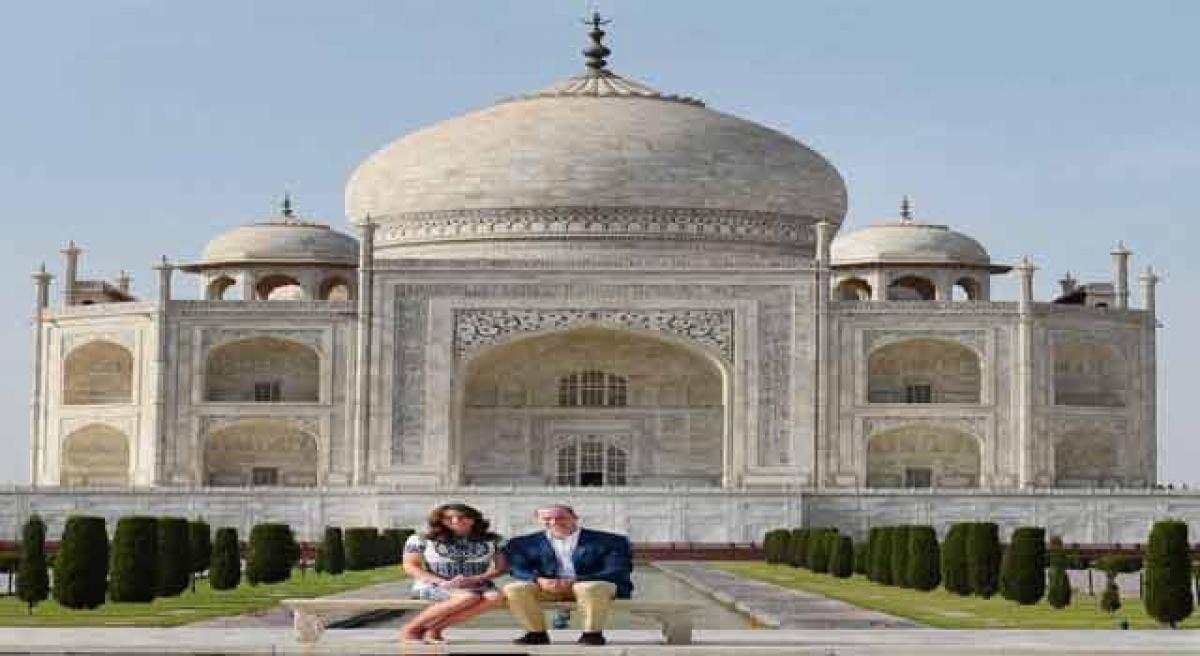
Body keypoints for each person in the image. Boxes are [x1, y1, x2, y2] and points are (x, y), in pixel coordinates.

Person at [503, 504, 633, 646]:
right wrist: (538, 580)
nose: (554, 522)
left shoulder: (611, 541)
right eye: (547, 519)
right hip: (548, 588)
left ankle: (592, 635)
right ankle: (536, 634)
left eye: (560, 517)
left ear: (575, 518)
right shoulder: (522, 543)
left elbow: (617, 569)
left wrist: (575, 581)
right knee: (514, 588)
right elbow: (516, 567)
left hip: (593, 587)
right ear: (539, 520)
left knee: (588, 587)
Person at [399, 503, 507, 644]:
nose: (455, 521)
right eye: (448, 518)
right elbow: (410, 566)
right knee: (467, 597)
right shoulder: (422, 539)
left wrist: (476, 578)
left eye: (462, 517)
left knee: (495, 597)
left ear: (473, 519)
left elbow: (502, 568)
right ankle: (411, 629)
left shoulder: (494, 540)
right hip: (435, 584)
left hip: (477, 584)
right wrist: (441, 582)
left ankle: (435, 630)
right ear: (440, 520)